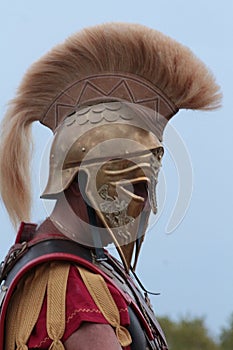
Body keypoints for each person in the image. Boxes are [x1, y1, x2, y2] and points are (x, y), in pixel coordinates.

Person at [0, 23, 221, 349]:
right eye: (133, 185)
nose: (146, 204)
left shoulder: (85, 264)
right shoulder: (72, 290)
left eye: (148, 188)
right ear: (77, 182)